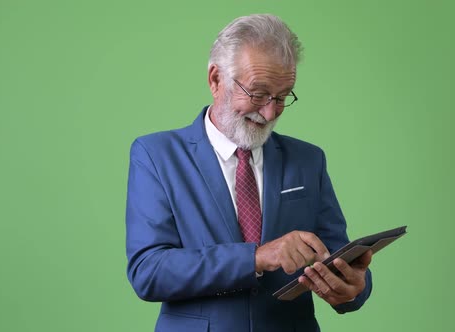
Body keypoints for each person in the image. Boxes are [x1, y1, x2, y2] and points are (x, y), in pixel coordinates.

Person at [126, 14, 373, 332]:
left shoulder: (308, 160)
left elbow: (336, 254)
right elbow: (149, 272)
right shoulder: (156, 155)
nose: (270, 112)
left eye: (282, 97)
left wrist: (353, 287)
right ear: (216, 80)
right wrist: (255, 257)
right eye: (258, 94)